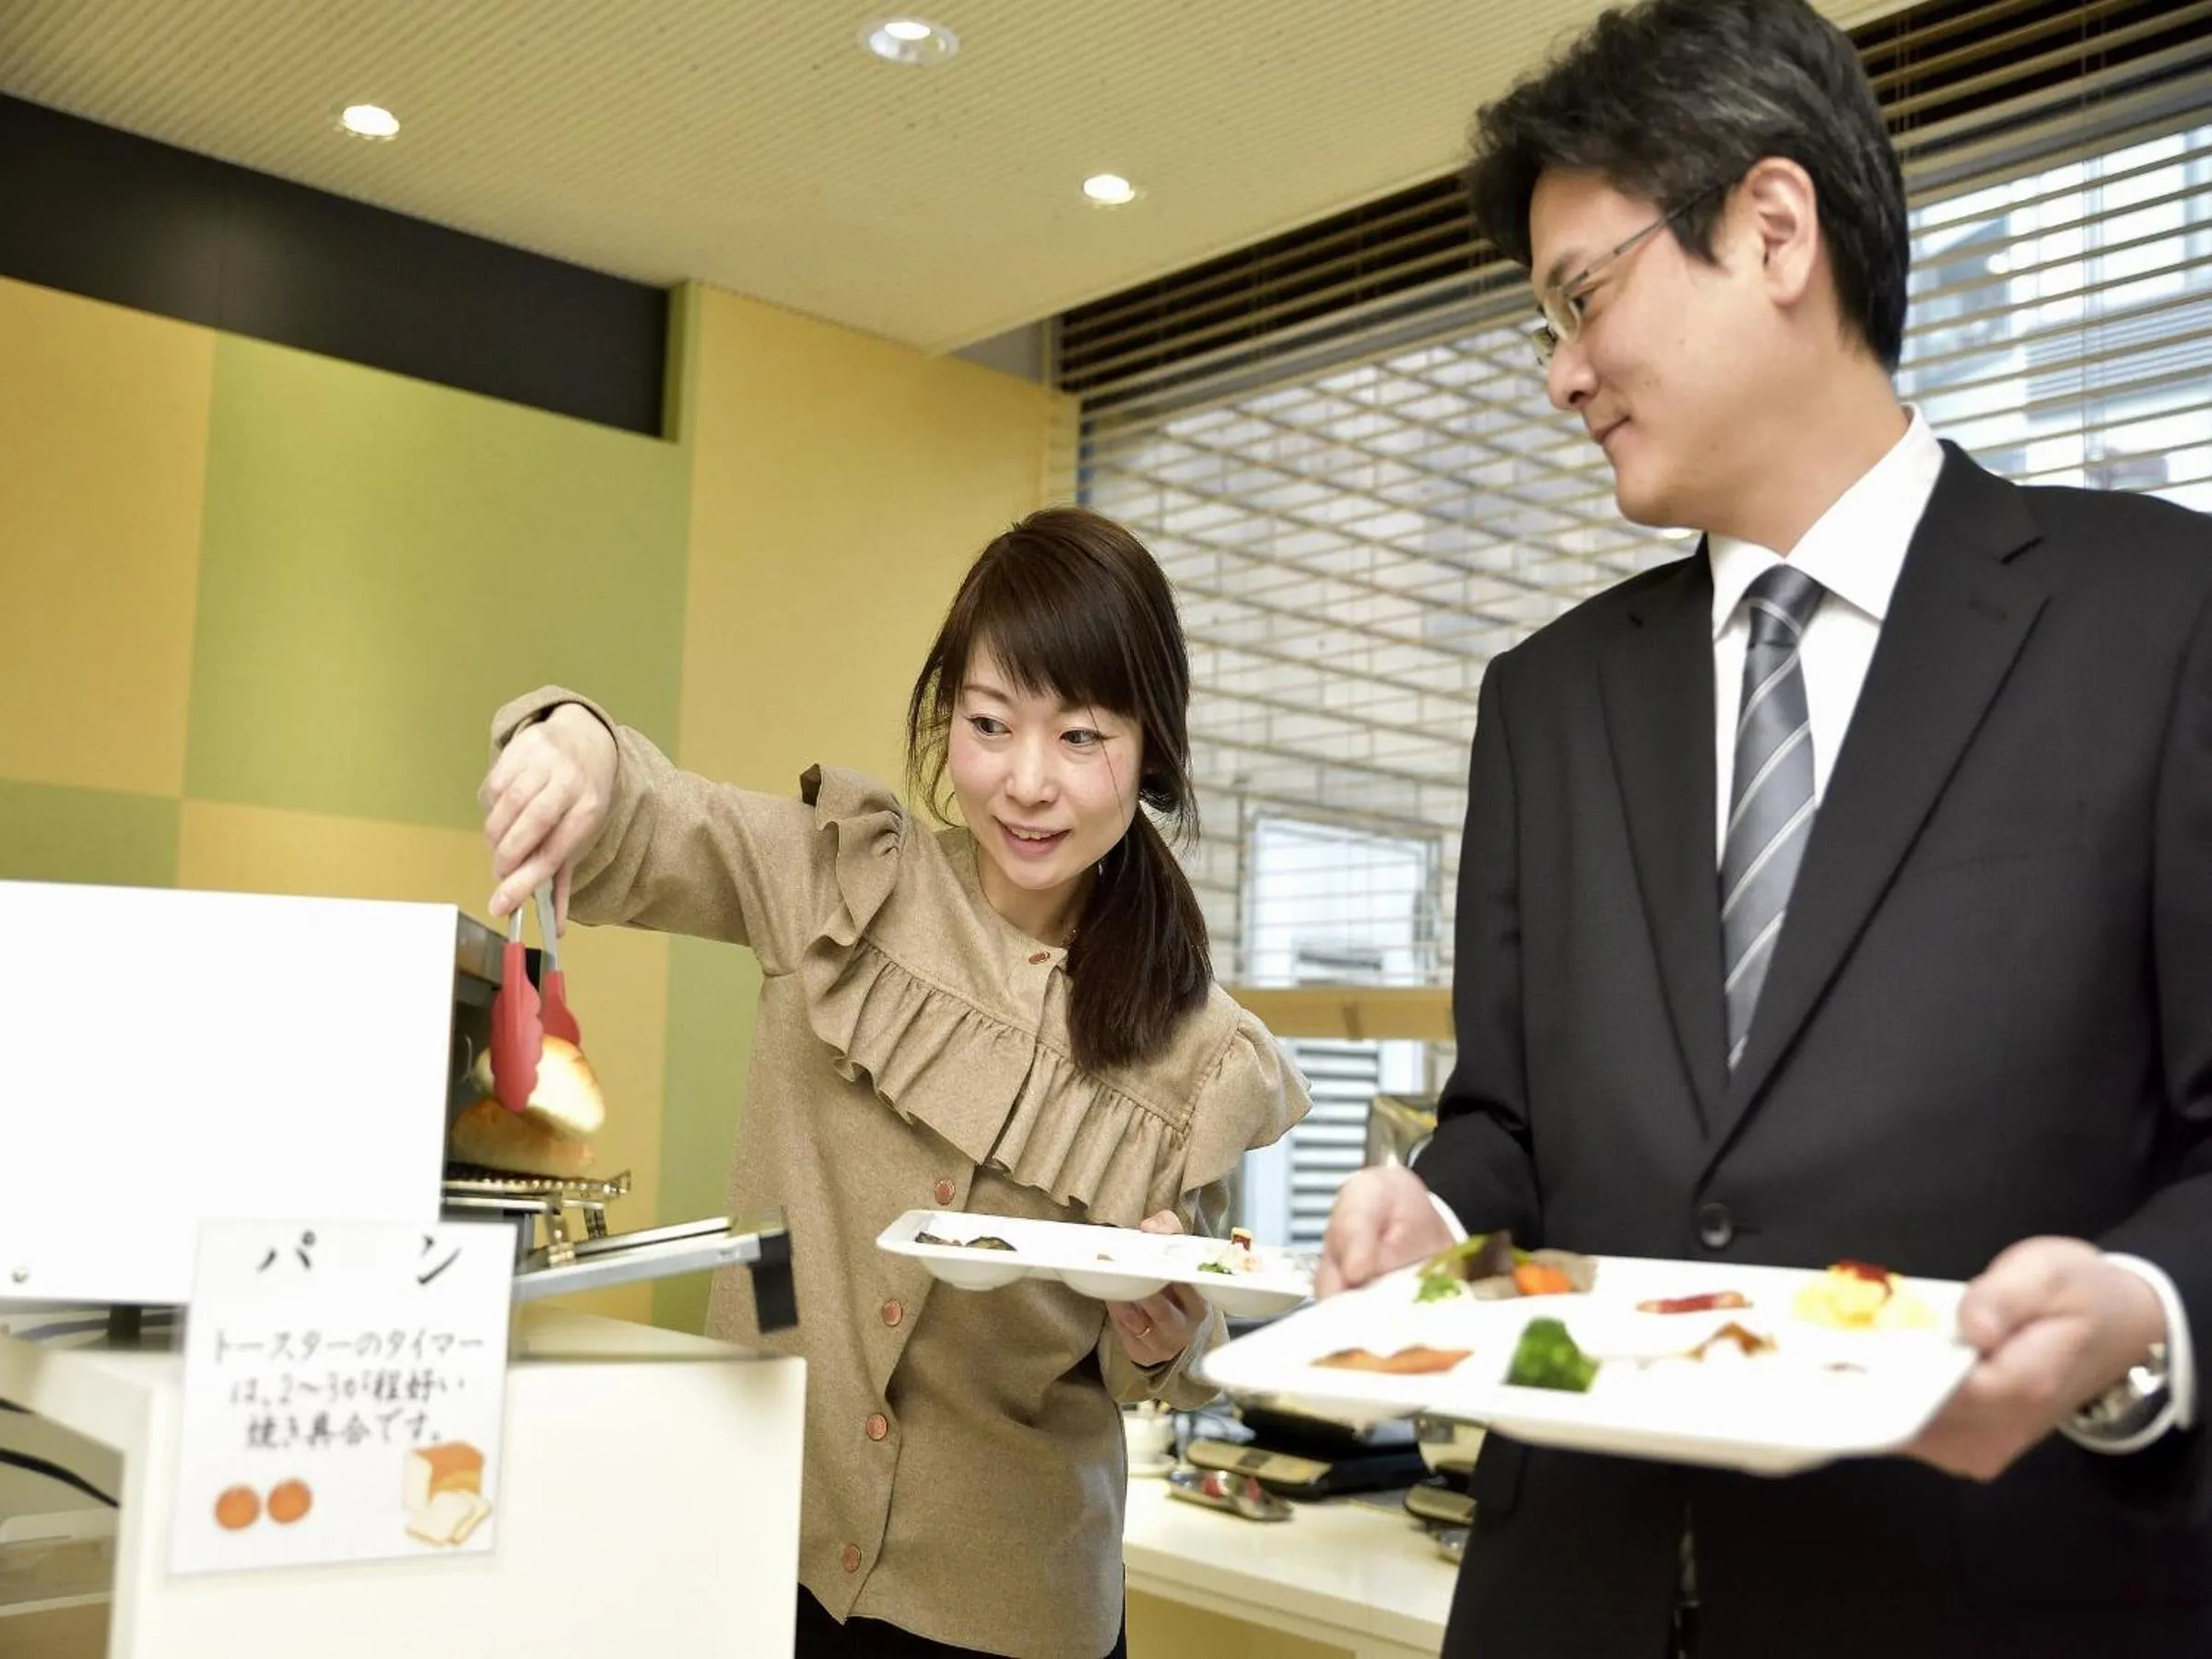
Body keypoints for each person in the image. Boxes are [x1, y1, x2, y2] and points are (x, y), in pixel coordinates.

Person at [1317, 2, 2211, 1654]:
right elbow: (1508, 1118)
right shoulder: (1546, 701)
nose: (1561, 373)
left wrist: (2146, 1314)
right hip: (1565, 1606)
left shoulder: (2162, 617)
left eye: (1583, 297)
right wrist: (1434, 1218)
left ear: (1775, 229)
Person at [478, 506, 1308, 1659]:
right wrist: (574, 739)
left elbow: (1161, 1362)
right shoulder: (840, 880)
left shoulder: (1195, 1049)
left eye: (1081, 737)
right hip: (757, 1554)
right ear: (944, 717)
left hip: (1011, 1615)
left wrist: (1162, 1331)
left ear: (1152, 747)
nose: (1027, 781)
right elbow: (652, 819)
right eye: (989, 724)